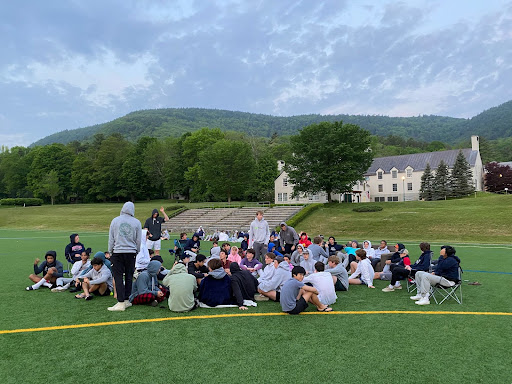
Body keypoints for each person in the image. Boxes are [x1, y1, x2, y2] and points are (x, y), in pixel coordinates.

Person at [107, 201, 142, 311]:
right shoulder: (137, 222)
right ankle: (126, 300)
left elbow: (111, 238)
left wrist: (110, 251)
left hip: (118, 252)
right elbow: (138, 240)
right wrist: (136, 251)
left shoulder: (115, 220)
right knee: (129, 276)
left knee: (118, 276)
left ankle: (120, 302)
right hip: (131, 252)